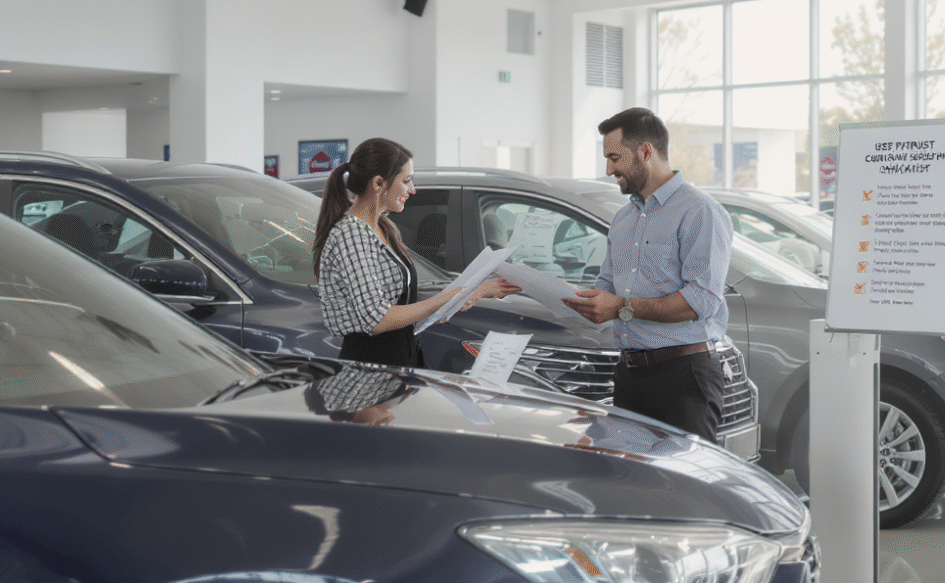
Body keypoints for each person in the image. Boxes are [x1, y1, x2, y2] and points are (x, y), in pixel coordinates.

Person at [562, 108, 734, 443]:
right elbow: (607, 287)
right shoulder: (623, 219)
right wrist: (578, 299)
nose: (609, 170)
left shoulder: (700, 211)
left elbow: (700, 302)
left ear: (645, 151)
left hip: (684, 377)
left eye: (614, 157)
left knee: (684, 487)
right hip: (629, 375)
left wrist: (621, 307)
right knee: (635, 486)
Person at [313, 137, 517, 368]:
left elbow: (401, 304)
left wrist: (471, 293)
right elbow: (378, 319)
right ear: (378, 184)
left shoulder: (384, 227)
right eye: (406, 180)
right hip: (371, 364)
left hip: (401, 356)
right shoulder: (351, 235)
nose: (413, 189)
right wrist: (451, 296)